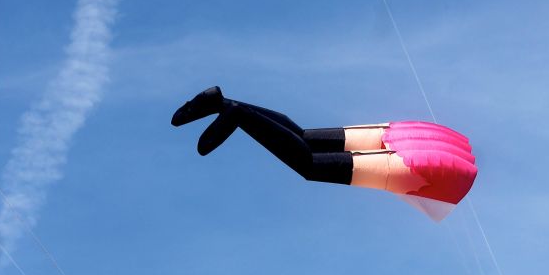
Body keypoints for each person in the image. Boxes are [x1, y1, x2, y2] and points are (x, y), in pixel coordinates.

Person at [172, 86, 477, 218]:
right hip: (423, 170)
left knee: (305, 137)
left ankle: (222, 103)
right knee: (310, 165)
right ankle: (238, 114)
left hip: (404, 138)